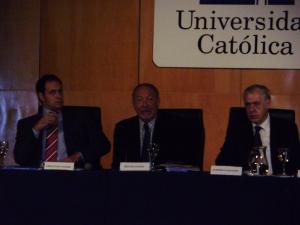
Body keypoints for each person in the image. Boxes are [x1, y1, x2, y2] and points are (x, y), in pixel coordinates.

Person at [14, 74, 110, 169]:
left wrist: (77, 156)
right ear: (41, 96)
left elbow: (103, 144)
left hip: (72, 175)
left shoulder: (81, 118)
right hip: (39, 177)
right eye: (52, 92)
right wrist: (36, 129)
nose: (58, 96)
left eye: (60, 91)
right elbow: (20, 158)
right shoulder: (26, 124)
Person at [112, 83, 203, 169]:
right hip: (133, 181)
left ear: (158, 101)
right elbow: (117, 164)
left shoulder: (176, 127)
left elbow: (182, 163)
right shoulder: (123, 128)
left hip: (165, 181)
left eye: (150, 99)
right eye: (139, 100)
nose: (145, 105)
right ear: (133, 103)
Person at [216, 84, 299, 175]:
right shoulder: (238, 129)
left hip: (278, 183)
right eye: (248, 105)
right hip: (246, 183)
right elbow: (221, 161)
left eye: (256, 104)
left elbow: (296, 161)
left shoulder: (286, 128)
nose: (251, 109)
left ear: (267, 103)